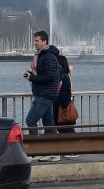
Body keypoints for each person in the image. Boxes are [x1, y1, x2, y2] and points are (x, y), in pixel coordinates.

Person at [24, 30, 62, 161]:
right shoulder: (44, 55)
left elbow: (50, 76)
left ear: (44, 41)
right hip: (47, 93)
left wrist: (32, 78)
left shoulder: (48, 56)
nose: (34, 43)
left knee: (30, 120)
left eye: (37, 41)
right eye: (34, 40)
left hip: (45, 94)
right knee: (49, 124)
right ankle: (52, 152)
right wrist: (32, 74)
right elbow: (46, 74)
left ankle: (35, 151)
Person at [52, 54, 79, 159]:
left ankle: (72, 151)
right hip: (64, 106)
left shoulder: (62, 76)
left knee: (65, 129)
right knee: (66, 129)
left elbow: (62, 93)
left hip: (62, 107)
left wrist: (62, 106)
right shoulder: (65, 75)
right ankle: (71, 150)